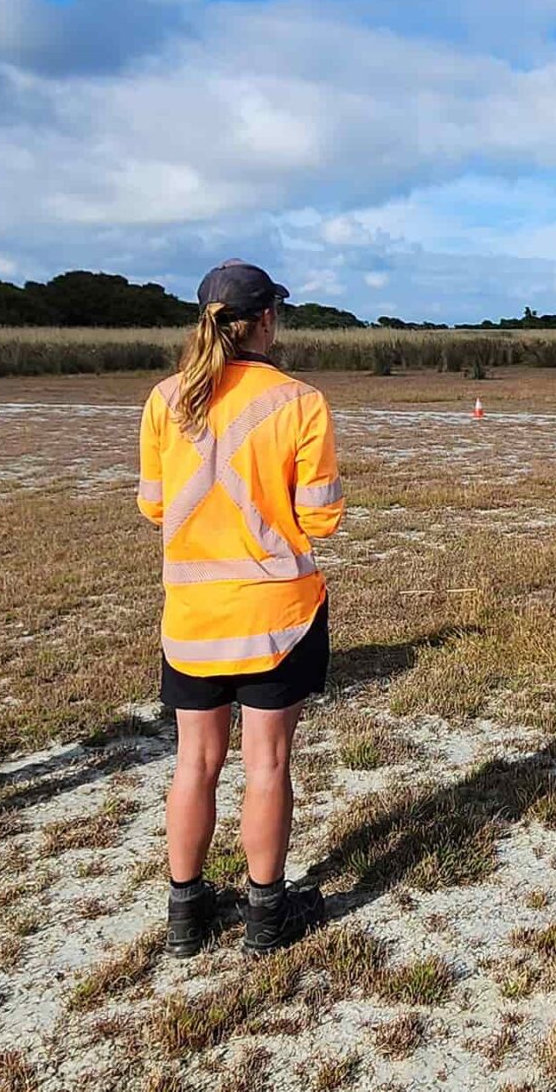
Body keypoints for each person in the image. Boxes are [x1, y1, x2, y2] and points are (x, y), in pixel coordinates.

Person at [139, 260, 345, 957]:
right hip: (278, 619)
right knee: (268, 764)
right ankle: (265, 915)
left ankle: (185, 915)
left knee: (194, 762)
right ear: (266, 321)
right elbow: (322, 519)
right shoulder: (300, 401)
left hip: (192, 618)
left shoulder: (164, 399)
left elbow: (153, 505)